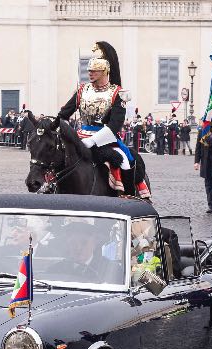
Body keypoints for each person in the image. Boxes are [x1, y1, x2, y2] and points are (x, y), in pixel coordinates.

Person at [56, 41, 150, 198]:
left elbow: (114, 126)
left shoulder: (118, 93)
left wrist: (92, 141)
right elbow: (64, 113)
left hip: (104, 138)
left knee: (125, 160)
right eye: (89, 71)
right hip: (80, 135)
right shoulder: (82, 90)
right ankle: (50, 186)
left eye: (95, 71)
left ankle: (128, 195)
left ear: (105, 71)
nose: (90, 73)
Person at [47, 221, 120, 283]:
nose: (78, 248)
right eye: (73, 243)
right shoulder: (55, 270)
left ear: (95, 243)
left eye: (84, 242)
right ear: (68, 244)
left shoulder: (111, 270)